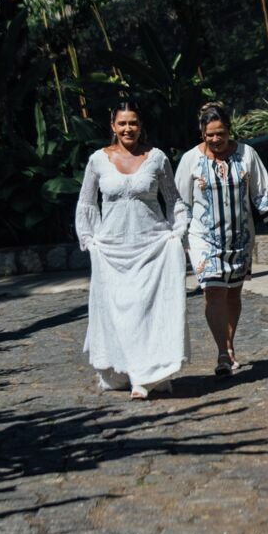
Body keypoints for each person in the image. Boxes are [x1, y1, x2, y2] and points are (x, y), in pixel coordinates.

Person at [75, 97, 190, 398]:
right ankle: (124, 370)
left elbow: (174, 198)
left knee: (148, 312)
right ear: (113, 126)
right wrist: (89, 240)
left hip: (151, 246)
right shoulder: (98, 160)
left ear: (141, 126)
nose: (128, 129)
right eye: (122, 123)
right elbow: (87, 202)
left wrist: (177, 232)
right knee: (118, 314)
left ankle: (146, 375)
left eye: (134, 123)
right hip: (112, 250)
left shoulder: (157, 158)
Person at [175, 103, 268, 377]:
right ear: (201, 133)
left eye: (220, 133)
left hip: (240, 237)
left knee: (233, 293)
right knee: (213, 291)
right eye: (209, 134)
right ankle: (222, 352)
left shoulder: (247, 154)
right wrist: (176, 233)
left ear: (229, 130)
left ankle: (230, 346)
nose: (215, 139)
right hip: (203, 238)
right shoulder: (190, 160)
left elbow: (260, 193)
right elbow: (181, 202)